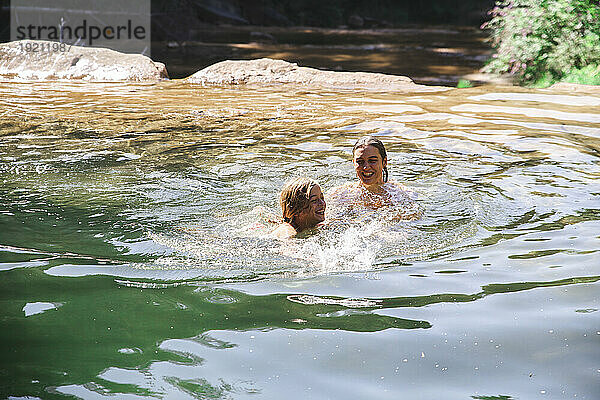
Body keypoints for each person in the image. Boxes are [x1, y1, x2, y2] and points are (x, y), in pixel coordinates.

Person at [328, 136, 420, 219]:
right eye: (360, 162)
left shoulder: (402, 194)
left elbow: (416, 218)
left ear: (384, 162)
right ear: (354, 163)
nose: (366, 167)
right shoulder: (340, 194)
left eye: (372, 161)